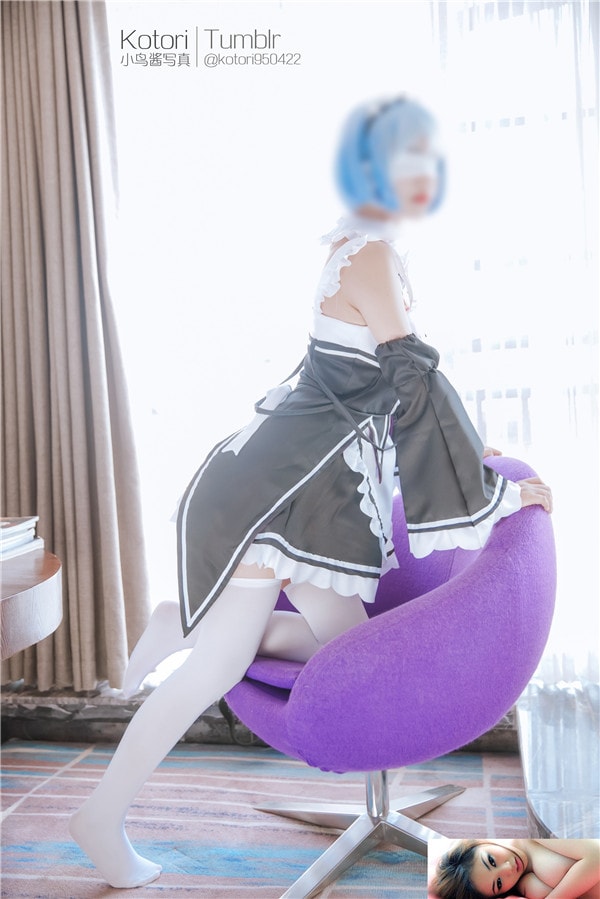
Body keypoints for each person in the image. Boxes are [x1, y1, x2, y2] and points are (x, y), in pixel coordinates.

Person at [69, 96, 552, 889]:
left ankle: (179, 620)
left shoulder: (369, 249)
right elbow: (412, 379)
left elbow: (380, 391)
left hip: (312, 492)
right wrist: (492, 490)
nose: (424, 176)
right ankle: (101, 812)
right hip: (283, 494)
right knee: (220, 669)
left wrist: (481, 453)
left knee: (356, 658)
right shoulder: (368, 254)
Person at [430, 838, 600, 898]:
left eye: (491, 860)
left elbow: (597, 856)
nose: (508, 869)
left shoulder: (531, 837)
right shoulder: (525, 885)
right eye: (498, 883)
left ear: (481, 843)